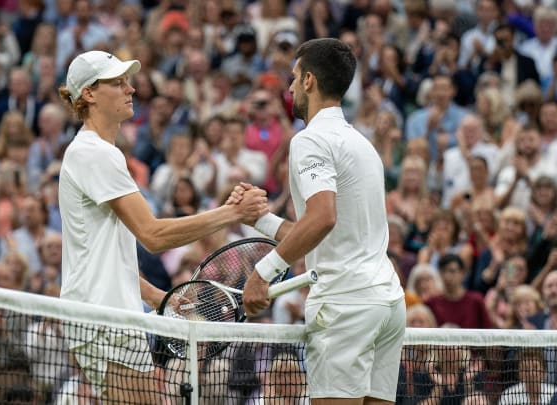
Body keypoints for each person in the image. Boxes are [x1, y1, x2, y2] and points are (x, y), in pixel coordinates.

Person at [56, 50, 267, 404]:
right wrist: (233, 214)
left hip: (105, 315)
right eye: (118, 82)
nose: (131, 89)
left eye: (128, 81)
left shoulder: (95, 151)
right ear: (89, 94)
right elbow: (153, 235)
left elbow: (102, 255)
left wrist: (157, 296)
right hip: (104, 319)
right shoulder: (94, 153)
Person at [239, 38, 406, 405]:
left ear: (310, 80)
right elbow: (321, 231)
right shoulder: (362, 145)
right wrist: (261, 220)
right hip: (387, 304)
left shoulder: (309, 140)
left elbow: (322, 218)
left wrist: (262, 272)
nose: (291, 87)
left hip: (346, 306)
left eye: (295, 78)